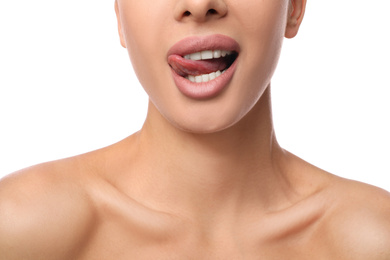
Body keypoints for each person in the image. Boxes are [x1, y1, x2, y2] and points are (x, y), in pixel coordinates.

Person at [1, 0, 390, 259]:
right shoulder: (18, 226)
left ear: (295, 7)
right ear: (119, 13)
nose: (199, 4)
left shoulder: (374, 240)